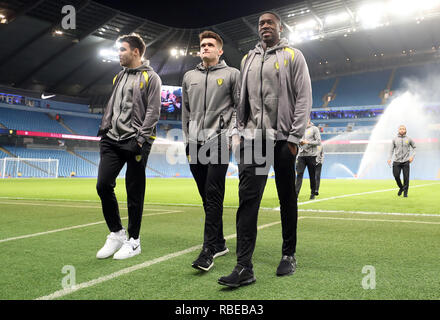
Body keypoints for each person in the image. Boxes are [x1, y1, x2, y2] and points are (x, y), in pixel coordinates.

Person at [218, 11, 312, 287]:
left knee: (286, 197)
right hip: (254, 140)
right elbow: (240, 101)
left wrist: (295, 138)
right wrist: (239, 132)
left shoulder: (294, 56)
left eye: (270, 22)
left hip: (284, 139)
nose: (265, 26)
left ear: (280, 28)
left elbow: (304, 96)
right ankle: (243, 266)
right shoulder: (248, 59)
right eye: (261, 23)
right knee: (248, 200)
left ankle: (288, 254)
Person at [95, 33, 162, 260]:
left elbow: (153, 111)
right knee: (103, 185)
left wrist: (141, 139)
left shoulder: (152, 78)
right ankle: (116, 233)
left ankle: (134, 241)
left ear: (136, 52)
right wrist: (105, 130)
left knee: (134, 193)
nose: (119, 54)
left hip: (136, 141)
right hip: (111, 139)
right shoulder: (118, 77)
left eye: (122, 50)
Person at [182, 31, 240, 271]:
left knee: (213, 192)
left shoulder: (232, 74)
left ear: (220, 50)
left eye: (210, 45)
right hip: (194, 142)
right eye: (202, 45)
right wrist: (187, 138)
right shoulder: (189, 76)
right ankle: (220, 242)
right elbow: (185, 110)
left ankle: (208, 250)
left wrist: (231, 134)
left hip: (219, 140)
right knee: (206, 196)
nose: (205, 48)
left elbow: (239, 107)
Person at [295, 119, 321, 200]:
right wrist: (299, 142)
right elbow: (295, 140)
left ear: (308, 120)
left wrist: (307, 142)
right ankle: (295, 195)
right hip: (301, 156)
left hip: (311, 156)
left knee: (312, 176)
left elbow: (318, 142)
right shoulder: (299, 129)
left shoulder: (314, 129)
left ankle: (312, 193)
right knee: (299, 175)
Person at [387, 125, 416, 197]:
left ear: (405, 130)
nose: (402, 130)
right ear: (398, 130)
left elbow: (414, 148)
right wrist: (389, 158)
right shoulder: (394, 139)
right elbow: (391, 150)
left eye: (403, 129)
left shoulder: (409, 139)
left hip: (406, 161)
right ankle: (401, 187)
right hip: (396, 161)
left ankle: (405, 193)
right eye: (400, 129)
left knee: (406, 177)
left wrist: (412, 156)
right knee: (396, 176)